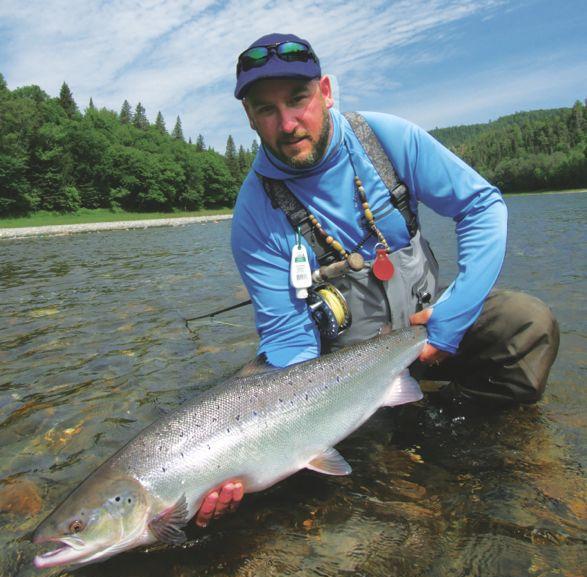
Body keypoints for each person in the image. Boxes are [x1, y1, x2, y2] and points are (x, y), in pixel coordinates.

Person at [194, 33, 559, 526]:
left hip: (430, 329)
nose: (287, 123)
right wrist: (288, 429)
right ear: (250, 117)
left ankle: (460, 422)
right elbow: (288, 338)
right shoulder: (254, 215)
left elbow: (482, 206)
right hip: (344, 369)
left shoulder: (386, 140)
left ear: (324, 91)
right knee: (277, 473)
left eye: (298, 99)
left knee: (527, 323)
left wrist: (455, 316)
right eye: (266, 110)